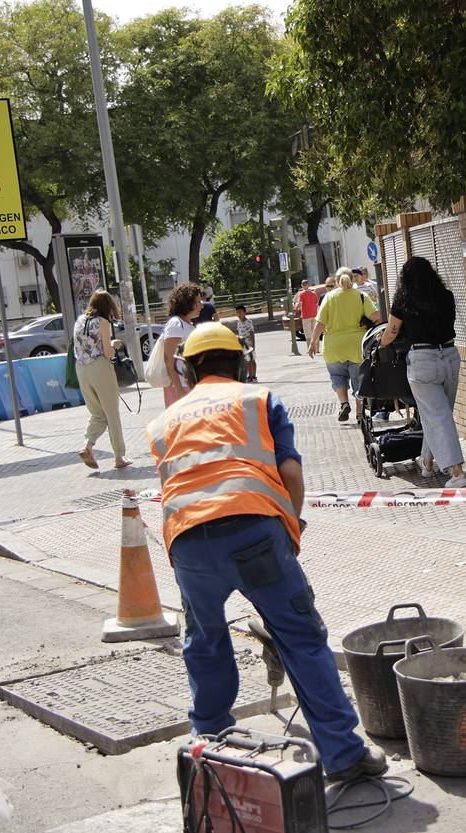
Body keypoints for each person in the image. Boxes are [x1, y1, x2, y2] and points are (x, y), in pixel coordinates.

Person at [147, 323, 386, 782]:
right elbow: (290, 474)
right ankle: (343, 753)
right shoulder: (258, 401)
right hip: (255, 533)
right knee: (301, 637)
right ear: (241, 363)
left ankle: (212, 744)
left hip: (190, 543)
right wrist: (291, 528)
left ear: (189, 370)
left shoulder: (165, 422)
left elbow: (176, 486)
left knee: (205, 640)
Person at [379, 256, 466, 488]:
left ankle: (457, 472)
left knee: (438, 416)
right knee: (439, 414)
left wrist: (381, 344)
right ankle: (427, 462)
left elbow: (391, 332)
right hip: (449, 357)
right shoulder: (446, 297)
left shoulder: (404, 301)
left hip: (423, 362)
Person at [308, 267, 380, 422]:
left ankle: (344, 403)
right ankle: (360, 412)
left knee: (337, 376)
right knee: (358, 380)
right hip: (357, 345)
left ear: (336, 281)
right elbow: (376, 318)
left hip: (334, 346)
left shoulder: (329, 297)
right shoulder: (361, 296)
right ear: (352, 279)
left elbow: (320, 323)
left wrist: (313, 342)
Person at [73, 289, 131, 470]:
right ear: (108, 306)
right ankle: (119, 457)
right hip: (99, 368)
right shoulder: (103, 323)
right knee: (111, 413)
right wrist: (114, 344)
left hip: (81, 369)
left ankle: (87, 446)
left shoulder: (80, 320)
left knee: (97, 413)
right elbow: (107, 353)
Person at [159, 282, 206, 406]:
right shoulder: (176, 323)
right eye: (198, 302)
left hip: (190, 384)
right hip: (181, 386)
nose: (201, 305)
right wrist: (178, 389)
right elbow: (168, 358)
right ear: (187, 303)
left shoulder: (187, 324)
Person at [233, 305, 257, 382]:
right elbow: (239, 333)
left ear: (244, 312)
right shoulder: (238, 322)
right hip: (242, 344)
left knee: (252, 360)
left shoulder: (248, 321)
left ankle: (253, 376)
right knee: (246, 361)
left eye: (240, 312)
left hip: (249, 344)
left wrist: (253, 345)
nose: (239, 314)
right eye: (237, 313)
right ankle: (249, 376)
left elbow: (252, 333)